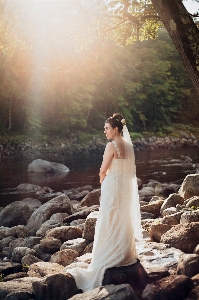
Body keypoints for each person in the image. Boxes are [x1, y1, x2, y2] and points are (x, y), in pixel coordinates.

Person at [66, 113, 142, 292]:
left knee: (109, 217)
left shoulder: (111, 145)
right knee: (122, 216)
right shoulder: (129, 146)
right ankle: (124, 253)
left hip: (112, 185)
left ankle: (107, 255)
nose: (104, 131)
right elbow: (130, 172)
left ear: (116, 129)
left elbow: (103, 170)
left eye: (107, 128)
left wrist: (103, 182)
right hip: (124, 187)